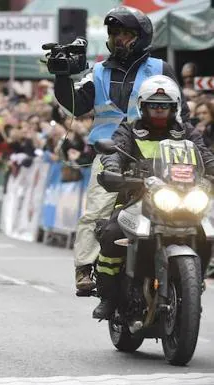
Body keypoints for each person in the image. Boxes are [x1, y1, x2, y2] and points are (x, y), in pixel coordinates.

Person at [50, 6, 191, 294]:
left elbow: (182, 113)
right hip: (112, 153)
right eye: (114, 34)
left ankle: (191, 263)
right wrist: (61, 77)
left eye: (125, 34)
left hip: (161, 152)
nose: (118, 39)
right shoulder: (98, 71)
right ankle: (84, 267)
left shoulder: (160, 68)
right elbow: (77, 106)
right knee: (96, 210)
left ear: (140, 37)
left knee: (190, 202)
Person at [94, 75, 214, 319]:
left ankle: (193, 283)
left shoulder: (186, 132)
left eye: (165, 105)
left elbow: (206, 157)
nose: (159, 110)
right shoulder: (129, 129)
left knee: (207, 231)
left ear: (175, 107)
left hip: (183, 199)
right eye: (154, 105)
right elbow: (114, 153)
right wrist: (114, 169)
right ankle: (109, 296)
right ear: (143, 106)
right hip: (137, 197)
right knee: (112, 234)